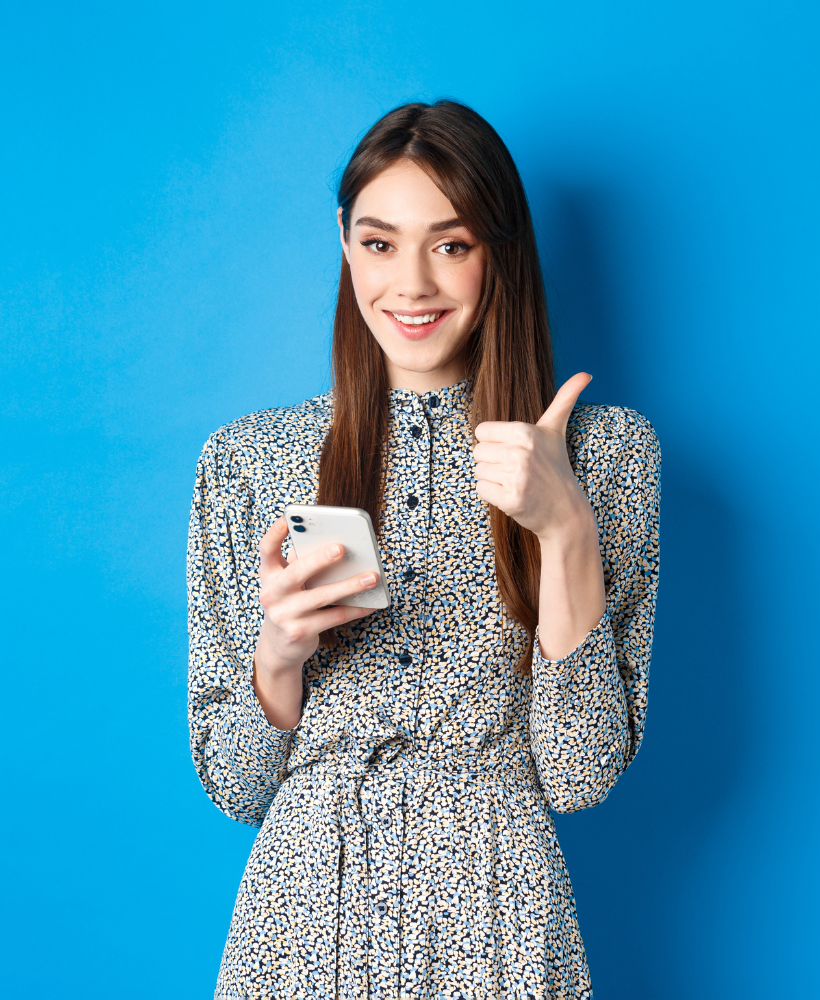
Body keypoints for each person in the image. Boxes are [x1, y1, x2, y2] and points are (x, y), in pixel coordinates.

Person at [187, 99, 660, 1000]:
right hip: (302, 916)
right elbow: (235, 785)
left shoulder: (607, 456)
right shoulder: (246, 460)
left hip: (502, 907)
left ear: (500, 250)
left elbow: (580, 772)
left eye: (450, 244)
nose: (410, 284)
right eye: (378, 242)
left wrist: (565, 529)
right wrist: (279, 654)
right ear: (342, 239)